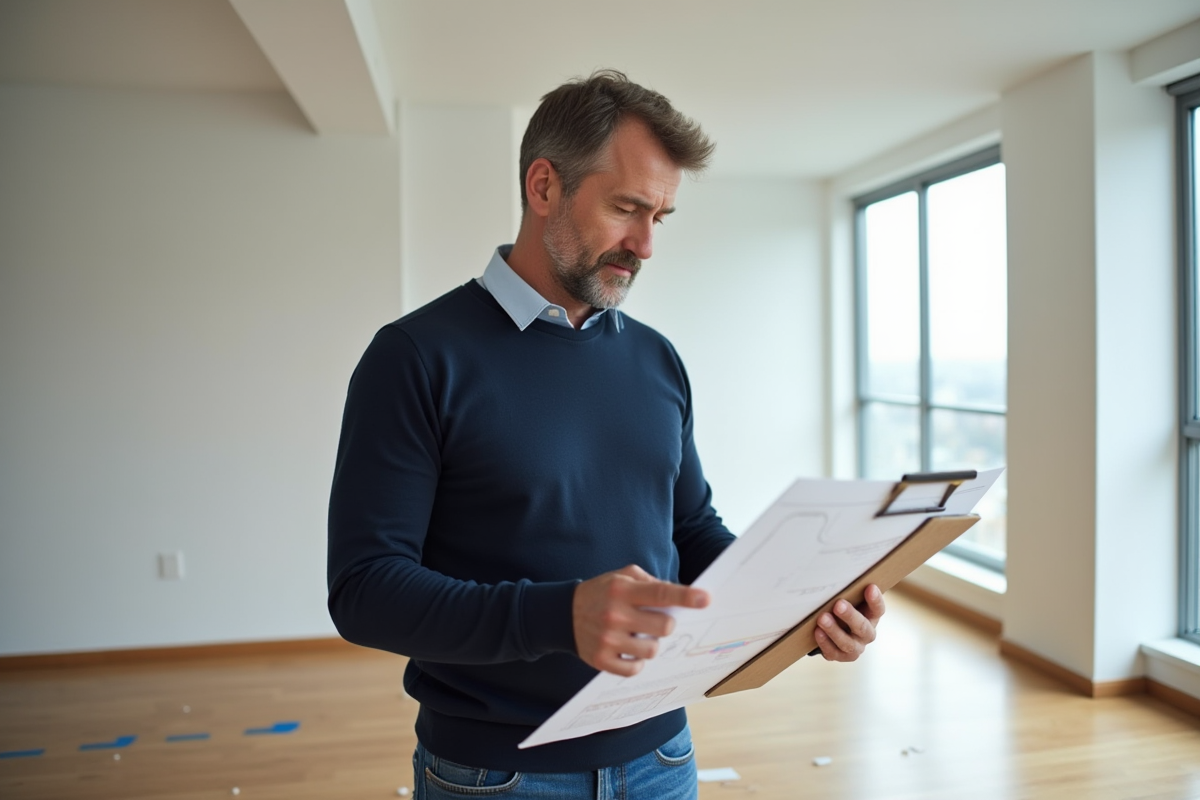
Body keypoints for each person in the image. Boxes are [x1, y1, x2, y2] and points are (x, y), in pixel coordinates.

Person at [327, 69, 886, 800]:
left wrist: (801, 606)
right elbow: (366, 591)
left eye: (661, 217)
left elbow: (688, 529)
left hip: (662, 758)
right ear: (543, 187)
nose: (646, 245)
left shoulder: (657, 358)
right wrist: (559, 614)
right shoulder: (415, 358)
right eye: (627, 208)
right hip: (496, 774)